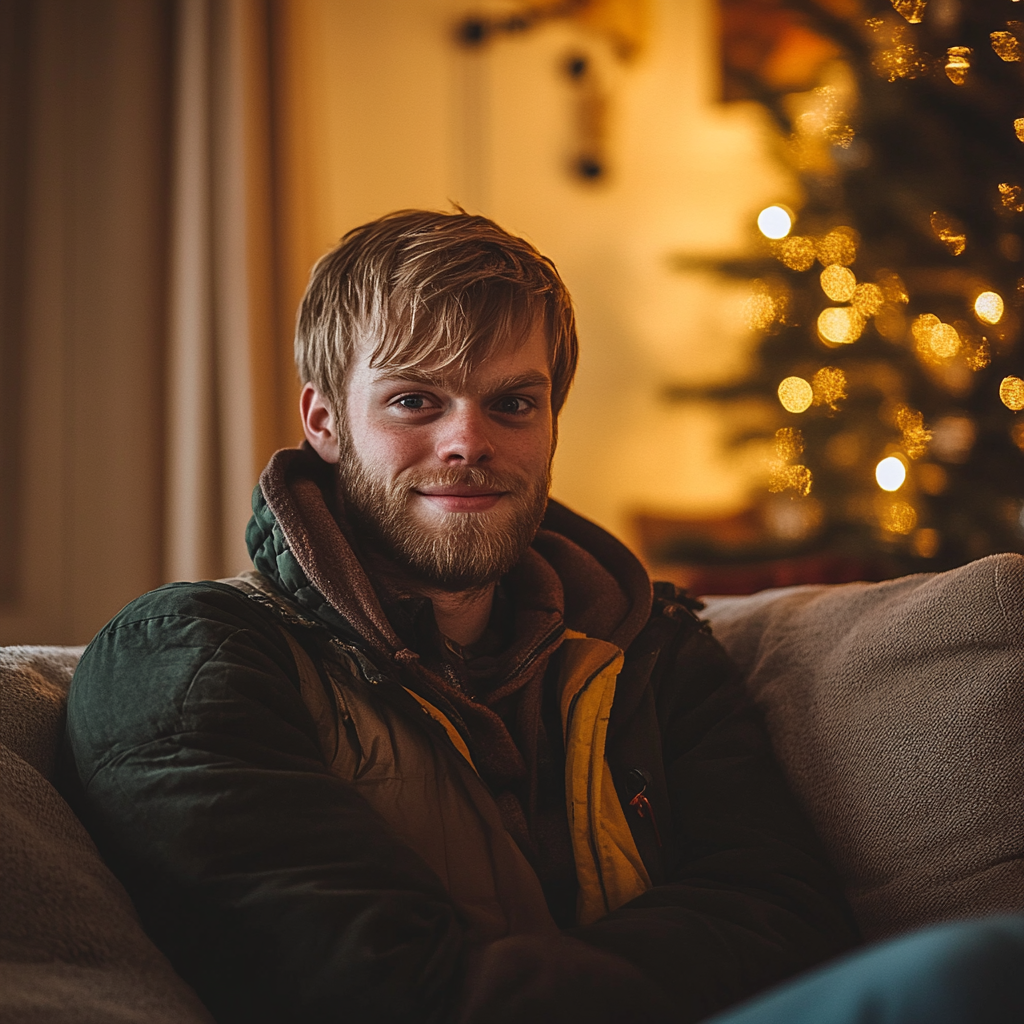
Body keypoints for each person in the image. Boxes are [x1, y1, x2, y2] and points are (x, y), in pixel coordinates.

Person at [63, 209, 856, 1024]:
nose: (467, 441)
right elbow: (368, 986)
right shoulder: (186, 656)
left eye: (513, 404)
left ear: (551, 425)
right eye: (414, 400)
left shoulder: (653, 646)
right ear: (325, 422)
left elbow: (791, 920)